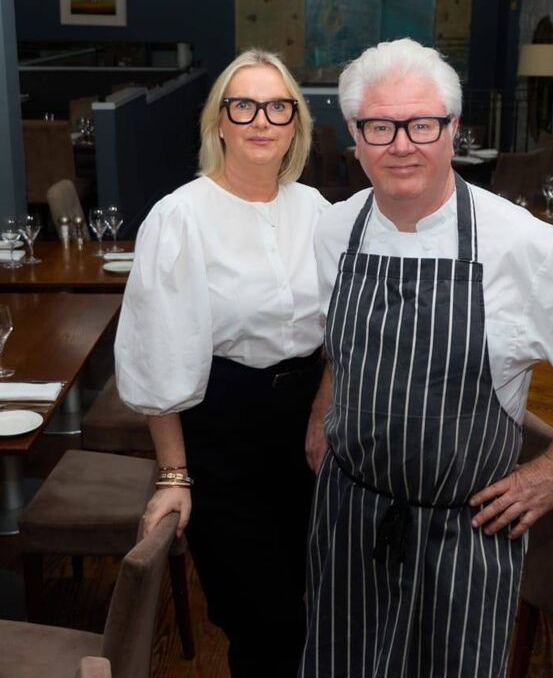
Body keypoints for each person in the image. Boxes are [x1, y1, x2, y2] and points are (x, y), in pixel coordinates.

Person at [302, 38, 553, 676]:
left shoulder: (522, 244)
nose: (402, 144)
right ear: (354, 134)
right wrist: (325, 406)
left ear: (453, 130)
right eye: (380, 126)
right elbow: (339, 334)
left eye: (422, 124)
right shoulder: (334, 229)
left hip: (467, 531)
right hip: (348, 513)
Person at [116, 49, 328, 676]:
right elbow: (160, 354)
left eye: (277, 106)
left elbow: (343, 325)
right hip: (225, 428)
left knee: (308, 606)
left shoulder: (318, 211)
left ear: (295, 123)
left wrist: (324, 406)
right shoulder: (180, 217)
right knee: (259, 621)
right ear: (220, 123)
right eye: (244, 105)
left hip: (312, 437)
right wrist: (175, 476)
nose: (261, 119)